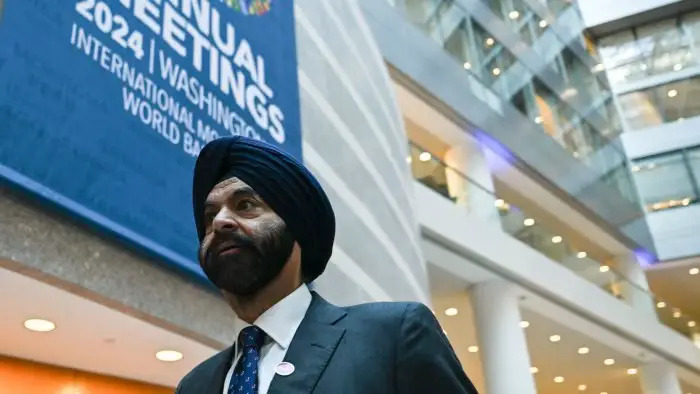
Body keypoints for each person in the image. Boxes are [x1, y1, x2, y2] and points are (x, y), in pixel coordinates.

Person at [176, 136, 478, 394]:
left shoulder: (392, 337)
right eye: (208, 217)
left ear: (297, 227)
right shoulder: (194, 385)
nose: (220, 222)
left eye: (246, 205)